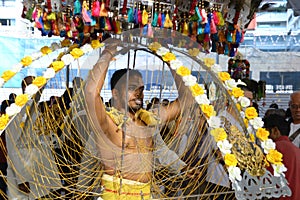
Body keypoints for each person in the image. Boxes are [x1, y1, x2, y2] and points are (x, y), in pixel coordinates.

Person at [80, 39, 196, 199]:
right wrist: (108, 52)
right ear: (115, 94)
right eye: (130, 88)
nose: (138, 94)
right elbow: (91, 93)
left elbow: (186, 99)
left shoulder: (149, 120)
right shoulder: (108, 122)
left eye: (141, 89)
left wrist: (168, 58)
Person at [5, 76, 62, 199]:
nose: (40, 89)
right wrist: (22, 179)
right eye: (37, 86)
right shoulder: (18, 112)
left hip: (42, 173)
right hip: (27, 178)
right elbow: (13, 146)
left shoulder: (35, 109)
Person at [263, 114, 300, 200]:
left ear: (275, 130)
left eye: (266, 132)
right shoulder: (297, 150)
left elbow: (265, 180)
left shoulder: (274, 148)